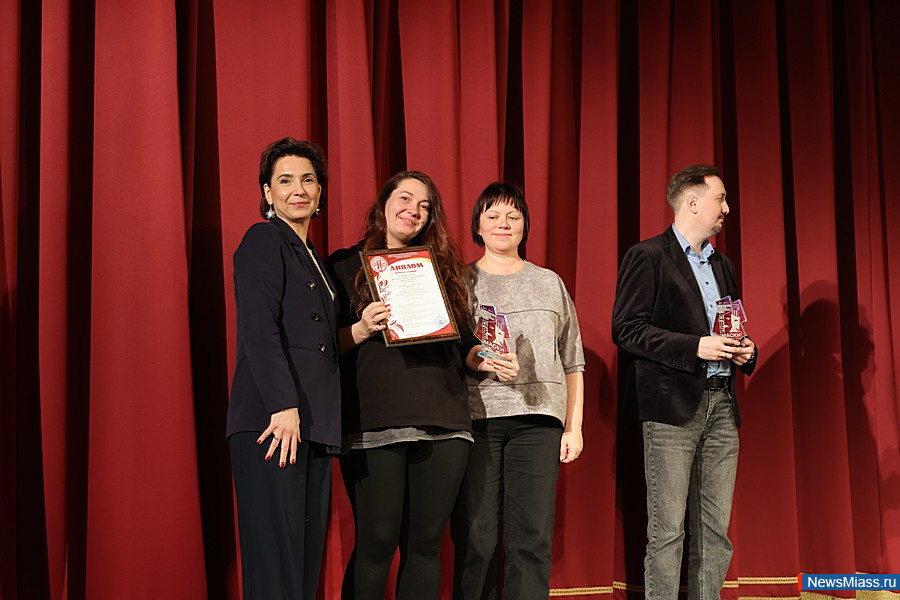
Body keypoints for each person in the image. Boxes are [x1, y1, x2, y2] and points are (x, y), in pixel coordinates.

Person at [326, 171, 518, 600]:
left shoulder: (444, 270)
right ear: (384, 203)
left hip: (444, 420)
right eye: (405, 199)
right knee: (377, 541)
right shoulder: (343, 266)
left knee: (426, 545)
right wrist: (361, 328)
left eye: (425, 206)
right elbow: (323, 345)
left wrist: (486, 358)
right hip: (375, 421)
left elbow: (465, 344)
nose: (414, 210)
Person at [611, 165, 758, 600]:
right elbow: (627, 329)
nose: (727, 209)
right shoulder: (648, 256)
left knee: (715, 531)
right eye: (721, 199)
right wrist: (696, 346)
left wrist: (745, 350)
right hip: (671, 409)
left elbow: (730, 325)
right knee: (668, 531)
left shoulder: (722, 264)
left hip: (722, 404)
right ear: (692, 202)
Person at [450, 182, 585, 599]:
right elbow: (451, 351)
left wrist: (574, 427)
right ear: (477, 226)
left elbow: (572, 361)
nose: (503, 223)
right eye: (492, 216)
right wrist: (480, 359)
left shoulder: (549, 282)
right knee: (477, 538)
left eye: (513, 216)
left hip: (539, 424)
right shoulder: (460, 281)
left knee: (531, 538)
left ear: (525, 225)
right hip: (479, 421)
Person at [227, 138, 341, 599]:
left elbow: (320, 343)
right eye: (286, 180)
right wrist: (282, 405)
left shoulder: (313, 256)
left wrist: (361, 330)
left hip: (311, 423)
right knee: (276, 565)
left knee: (302, 565)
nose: (299, 190)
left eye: (308, 180)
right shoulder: (263, 239)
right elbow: (259, 330)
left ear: (320, 191)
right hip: (273, 422)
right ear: (267, 192)